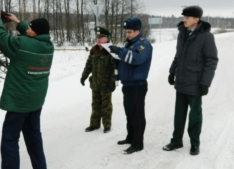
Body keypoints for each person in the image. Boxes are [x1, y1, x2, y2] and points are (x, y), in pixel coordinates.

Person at [0, 8, 54, 169]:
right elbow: (31, 33)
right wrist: (18, 22)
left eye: (30, 29)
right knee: (34, 137)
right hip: (35, 101)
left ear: (35, 33)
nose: (28, 30)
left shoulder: (22, 45)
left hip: (19, 103)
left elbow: (0, 37)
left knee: (10, 140)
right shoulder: (48, 46)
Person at [162, 6, 218, 156]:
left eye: (187, 17)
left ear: (196, 19)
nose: (184, 20)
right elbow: (178, 55)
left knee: (195, 116)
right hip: (181, 82)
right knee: (178, 115)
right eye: (184, 17)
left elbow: (211, 60)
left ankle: (195, 143)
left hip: (195, 83)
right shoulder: (182, 33)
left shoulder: (206, 37)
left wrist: (205, 83)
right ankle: (176, 141)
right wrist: (172, 71)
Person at [108, 17, 153, 154]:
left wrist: (119, 52)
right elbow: (125, 59)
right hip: (127, 84)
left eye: (130, 32)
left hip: (137, 85)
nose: (127, 35)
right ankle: (131, 137)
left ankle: (138, 143)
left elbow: (136, 58)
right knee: (129, 113)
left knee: (137, 115)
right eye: (126, 32)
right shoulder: (129, 44)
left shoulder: (143, 44)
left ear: (137, 31)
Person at [81, 26, 116, 133]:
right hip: (95, 83)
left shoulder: (112, 51)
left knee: (106, 106)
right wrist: (84, 76)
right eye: (97, 37)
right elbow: (88, 65)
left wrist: (113, 81)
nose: (98, 39)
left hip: (106, 83)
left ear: (107, 38)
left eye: (101, 37)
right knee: (95, 104)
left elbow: (115, 68)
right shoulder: (94, 50)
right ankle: (94, 124)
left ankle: (107, 125)